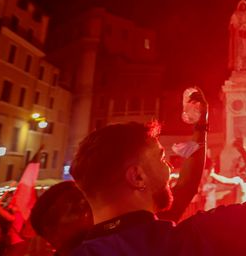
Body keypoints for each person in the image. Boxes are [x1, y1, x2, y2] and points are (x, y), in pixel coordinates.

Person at [68, 91, 246, 256]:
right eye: (161, 158)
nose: (170, 167)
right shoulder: (194, 242)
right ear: (137, 177)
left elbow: (187, 184)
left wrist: (201, 127)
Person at [29, 88, 210, 255]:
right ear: (52, 234)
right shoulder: (151, 241)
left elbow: (186, 186)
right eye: (75, 207)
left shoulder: (136, 232)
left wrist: (201, 126)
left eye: (82, 200)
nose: (86, 208)